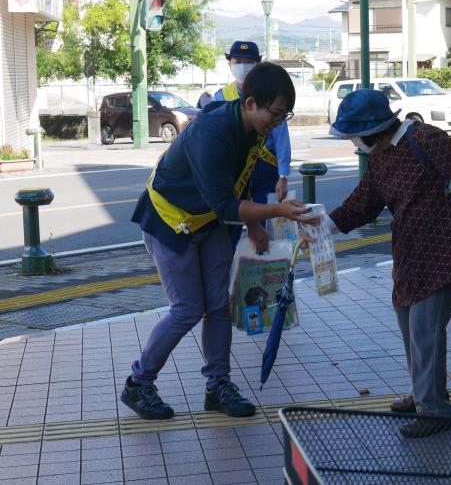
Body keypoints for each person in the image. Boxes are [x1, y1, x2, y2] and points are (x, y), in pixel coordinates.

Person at [325, 89, 451, 438]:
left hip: (442, 251)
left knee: (425, 331)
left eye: (356, 136)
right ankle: (425, 394)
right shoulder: (382, 157)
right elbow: (363, 202)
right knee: (411, 328)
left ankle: (434, 411)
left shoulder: (426, 139)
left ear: (374, 131)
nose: (354, 143)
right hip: (409, 253)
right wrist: (322, 227)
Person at [121, 62, 316, 421]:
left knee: (218, 306)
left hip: (208, 220)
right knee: (187, 309)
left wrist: (255, 227)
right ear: (252, 103)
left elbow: (238, 185)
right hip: (170, 221)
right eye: (276, 113)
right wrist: (277, 213)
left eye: (285, 115)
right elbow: (226, 204)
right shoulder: (211, 133)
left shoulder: (254, 130)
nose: (279, 122)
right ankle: (139, 383)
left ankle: (218, 386)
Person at [214, 41, 291, 205]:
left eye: (249, 62)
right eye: (238, 62)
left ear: (258, 65)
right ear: (230, 64)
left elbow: (281, 137)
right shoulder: (221, 96)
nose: (243, 67)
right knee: (232, 218)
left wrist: (283, 176)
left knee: (267, 217)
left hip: (265, 166)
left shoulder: (272, 94)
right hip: (235, 165)